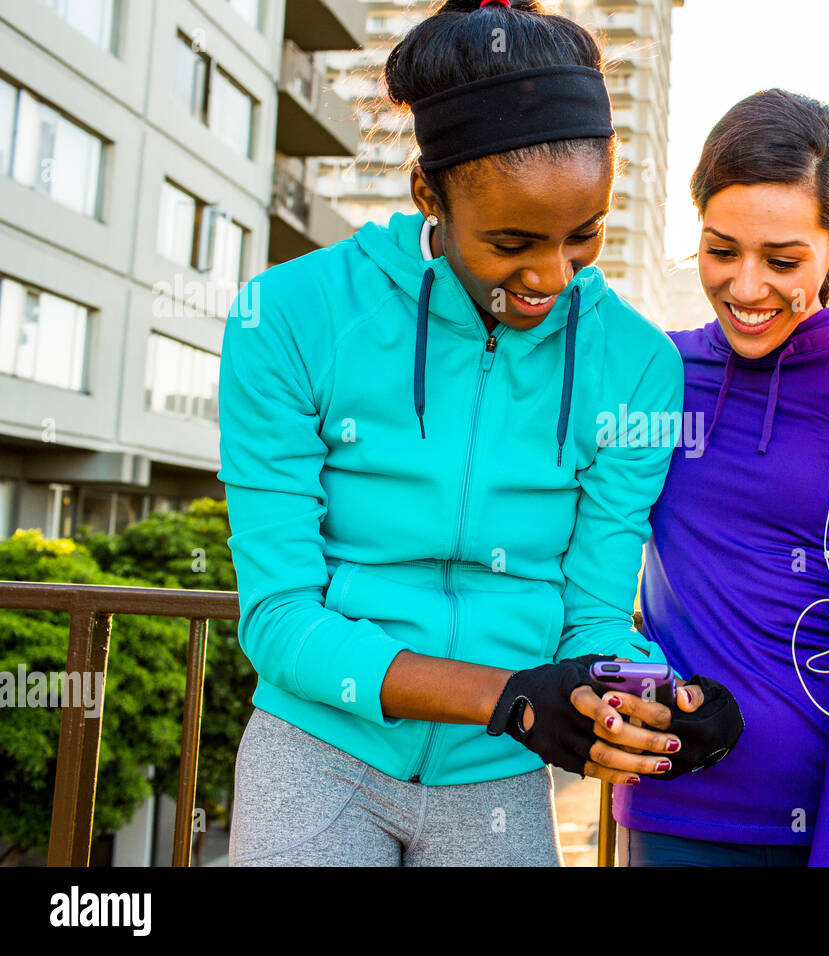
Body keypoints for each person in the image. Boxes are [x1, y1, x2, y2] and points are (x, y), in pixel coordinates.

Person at [219, 0, 738, 867]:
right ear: (429, 193)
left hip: (498, 773)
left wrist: (652, 697)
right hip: (317, 752)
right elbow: (276, 618)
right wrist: (507, 698)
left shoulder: (638, 365)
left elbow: (592, 618)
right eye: (511, 242)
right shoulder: (288, 318)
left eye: (585, 237)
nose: (549, 278)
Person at [612, 90, 829, 867]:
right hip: (673, 815)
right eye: (721, 251)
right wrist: (634, 675)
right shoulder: (658, 370)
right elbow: (585, 570)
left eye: (784, 260)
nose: (748, 287)